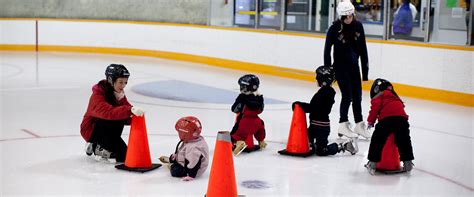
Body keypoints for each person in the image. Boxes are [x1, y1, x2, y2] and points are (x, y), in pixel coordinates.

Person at [324, 0, 371, 139]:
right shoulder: (334, 29)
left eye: (351, 16)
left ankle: (358, 124)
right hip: (340, 68)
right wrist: (327, 71)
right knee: (347, 96)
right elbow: (327, 50)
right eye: (346, 17)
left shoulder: (359, 27)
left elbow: (363, 50)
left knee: (357, 97)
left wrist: (365, 72)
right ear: (341, 16)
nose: (349, 19)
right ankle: (343, 123)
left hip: (354, 68)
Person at [80, 64, 145, 162]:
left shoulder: (118, 94)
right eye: (120, 82)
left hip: (109, 130)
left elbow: (125, 113)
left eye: (125, 82)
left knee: (124, 156)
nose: (123, 86)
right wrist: (129, 110)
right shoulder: (97, 95)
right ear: (110, 80)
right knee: (117, 113)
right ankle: (94, 144)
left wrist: (135, 117)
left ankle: (104, 144)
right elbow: (108, 112)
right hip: (91, 130)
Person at [292, 65, 358, 156]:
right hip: (313, 125)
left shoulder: (328, 93)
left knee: (321, 150)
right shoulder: (323, 92)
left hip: (321, 128)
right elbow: (314, 107)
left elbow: (316, 108)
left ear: (324, 80)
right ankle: (313, 144)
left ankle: (344, 146)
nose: (316, 79)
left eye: (318, 77)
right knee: (306, 143)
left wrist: (301, 105)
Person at [364, 78, 414, 175]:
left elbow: (374, 109)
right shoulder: (396, 97)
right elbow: (401, 108)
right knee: (404, 140)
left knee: (377, 140)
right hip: (402, 120)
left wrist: (371, 121)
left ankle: (373, 163)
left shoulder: (379, 96)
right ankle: (408, 163)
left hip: (386, 120)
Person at [159, 116, 209, 181]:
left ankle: (172, 165)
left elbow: (193, 163)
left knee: (175, 171)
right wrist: (176, 155)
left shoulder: (193, 148)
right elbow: (184, 150)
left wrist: (191, 175)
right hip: (188, 161)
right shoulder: (192, 139)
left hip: (194, 170)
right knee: (176, 157)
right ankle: (174, 159)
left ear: (184, 133)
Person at [231, 74, 267, 156]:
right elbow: (261, 109)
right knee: (261, 127)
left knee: (234, 134)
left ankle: (240, 143)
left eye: (243, 86)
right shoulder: (260, 97)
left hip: (244, 122)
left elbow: (234, 109)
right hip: (257, 122)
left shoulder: (242, 97)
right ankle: (261, 141)